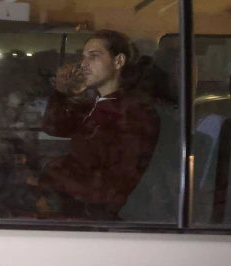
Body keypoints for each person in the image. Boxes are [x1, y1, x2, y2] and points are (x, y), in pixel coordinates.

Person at [37, 30, 160, 218]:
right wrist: (61, 93)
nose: (84, 64)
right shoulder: (97, 104)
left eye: (94, 56)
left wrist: (54, 176)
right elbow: (54, 127)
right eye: (83, 57)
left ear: (118, 61)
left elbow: (112, 186)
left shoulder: (131, 113)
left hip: (92, 215)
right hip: (74, 202)